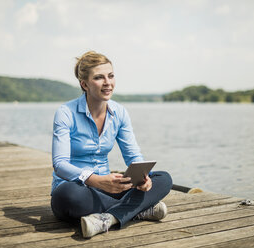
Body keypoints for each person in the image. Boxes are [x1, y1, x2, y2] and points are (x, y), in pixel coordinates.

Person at [50, 51, 173, 238]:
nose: (108, 82)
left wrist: (143, 177)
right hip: (78, 189)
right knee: (67, 196)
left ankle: (109, 218)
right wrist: (97, 180)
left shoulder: (120, 112)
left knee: (163, 178)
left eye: (111, 75)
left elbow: (133, 156)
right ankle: (138, 209)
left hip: (109, 188)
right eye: (99, 77)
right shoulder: (66, 113)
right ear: (84, 84)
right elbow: (60, 164)